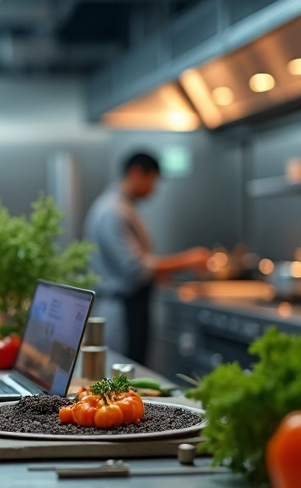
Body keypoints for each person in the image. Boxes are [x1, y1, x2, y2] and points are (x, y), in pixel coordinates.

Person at [84, 152, 210, 364]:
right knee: (123, 378)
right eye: (152, 180)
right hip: (121, 312)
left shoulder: (120, 207)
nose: (154, 189)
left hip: (130, 307)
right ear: (136, 173)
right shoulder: (113, 212)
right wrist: (188, 260)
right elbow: (134, 268)